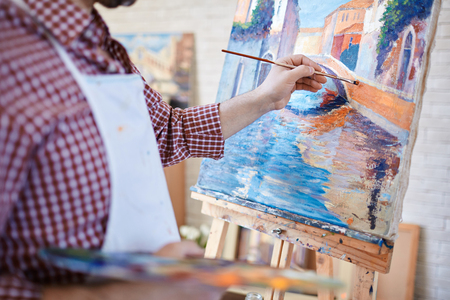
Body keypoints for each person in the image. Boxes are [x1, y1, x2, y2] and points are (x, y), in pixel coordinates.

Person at [0, 0, 327, 299]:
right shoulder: (10, 52)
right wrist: (120, 295)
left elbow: (166, 132)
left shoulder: (94, 42)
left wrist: (266, 97)